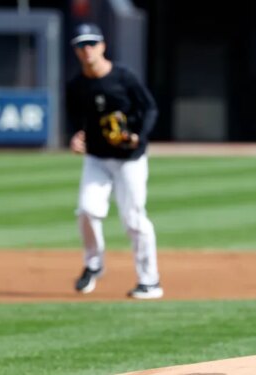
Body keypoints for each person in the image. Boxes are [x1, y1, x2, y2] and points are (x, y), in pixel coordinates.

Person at [66, 23, 163, 299]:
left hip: (129, 159)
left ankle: (150, 281)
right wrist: (75, 138)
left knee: (133, 219)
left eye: (91, 44)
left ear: (102, 46)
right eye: (81, 45)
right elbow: (76, 121)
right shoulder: (76, 86)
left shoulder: (123, 77)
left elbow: (149, 108)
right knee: (86, 210)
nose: (86, 50)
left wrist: (138, 137)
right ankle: (93, 265)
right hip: (96, 158)